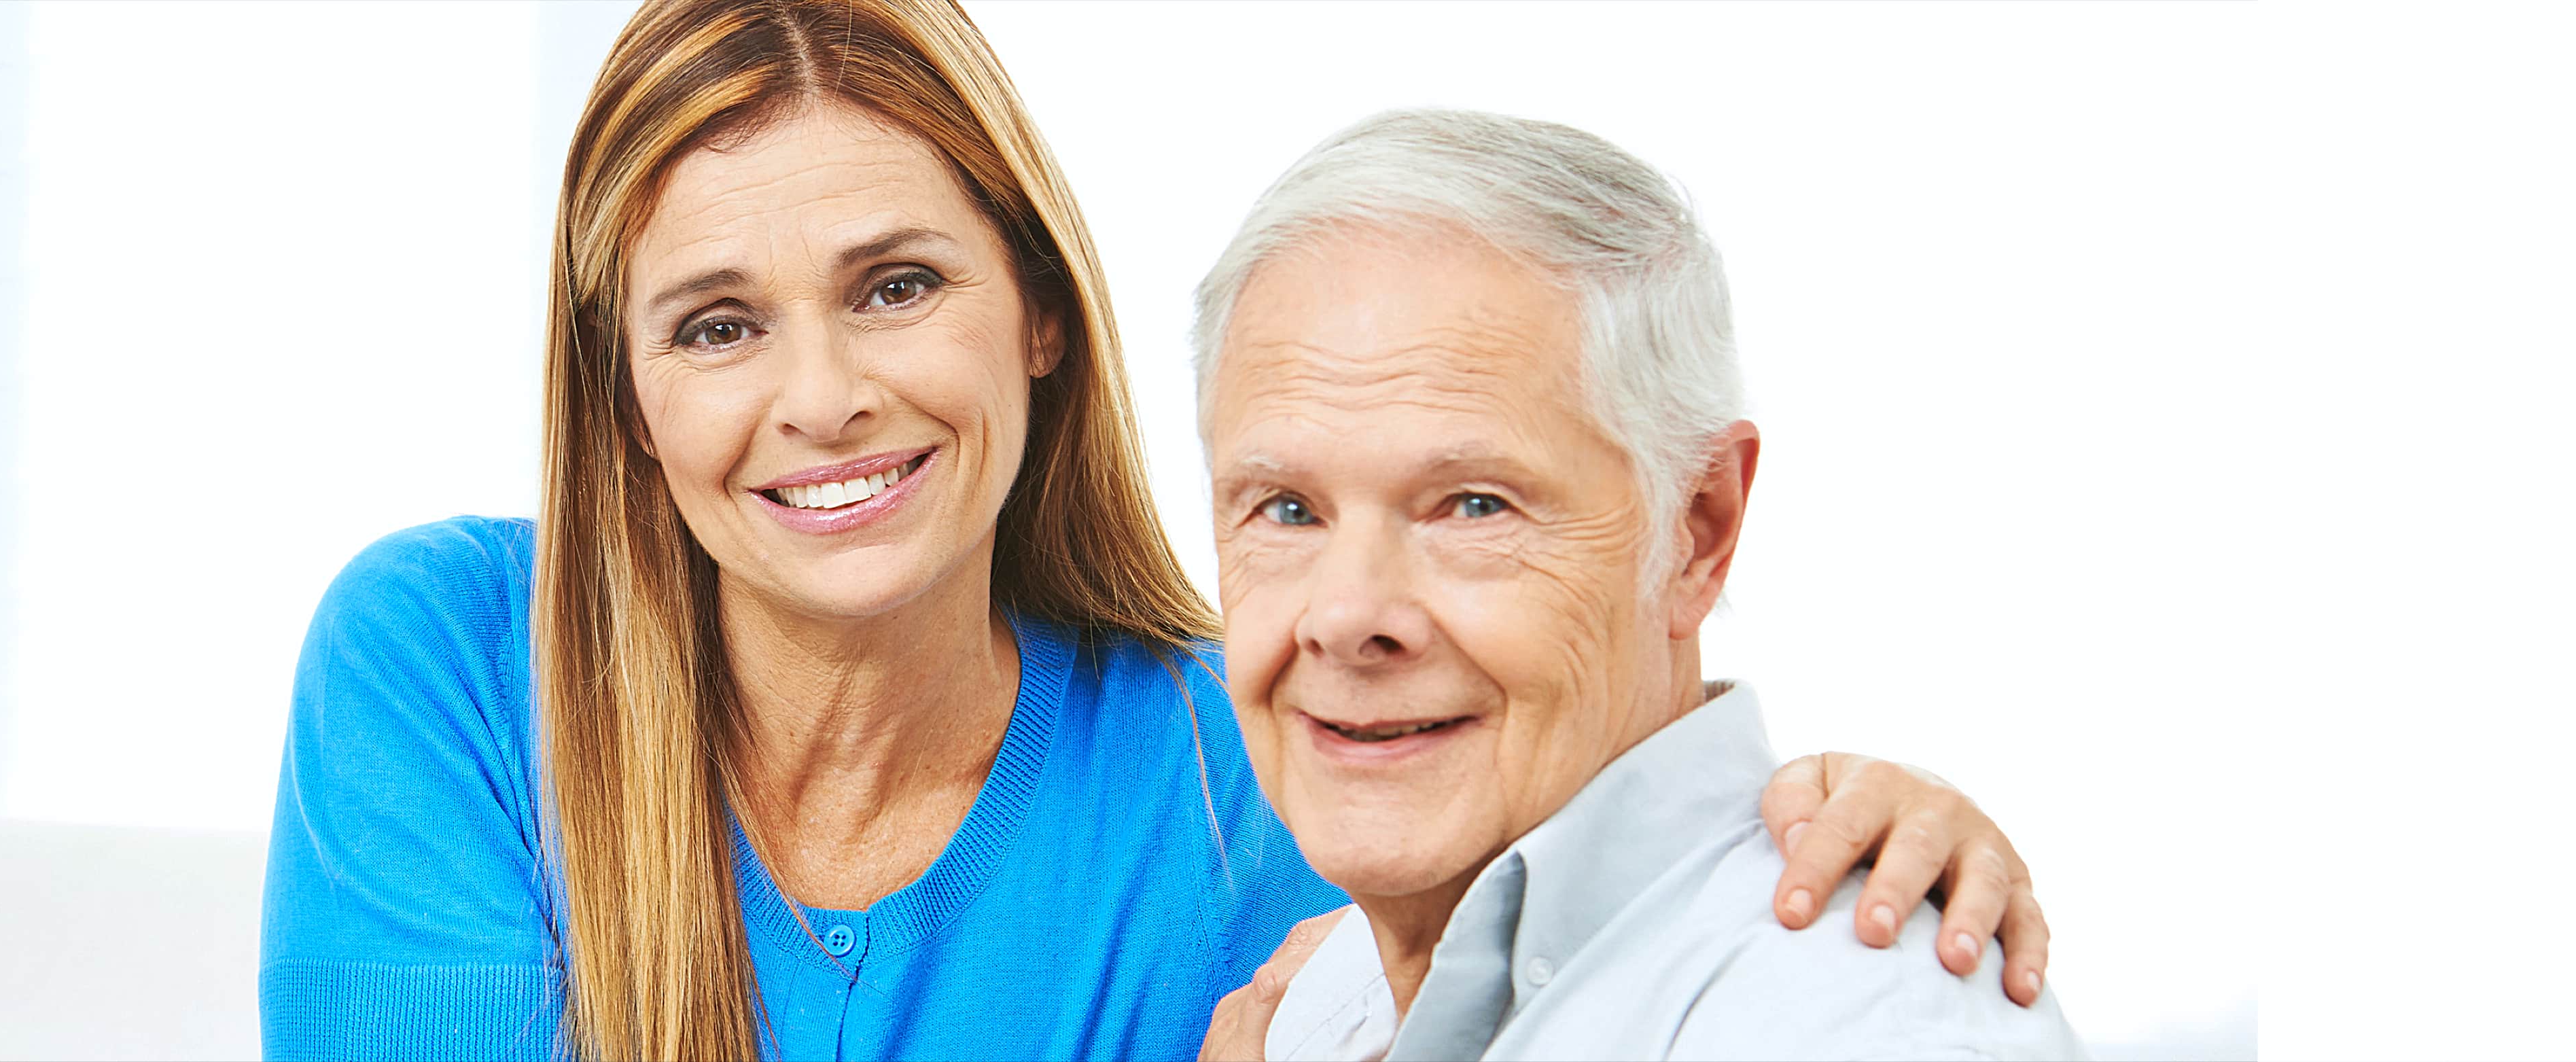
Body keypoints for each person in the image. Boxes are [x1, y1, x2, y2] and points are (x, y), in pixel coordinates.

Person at [260, 2, 2053, 1058]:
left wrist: (1794, 805)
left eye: (894, 285)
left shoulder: (1267, 769)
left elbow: (1578, 883)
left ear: (1038, 310)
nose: (820, 396)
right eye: (717, 324)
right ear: (627, 398)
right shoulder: (445, 667)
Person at [1198, 109, 2082, 1061]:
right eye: (1286, 510)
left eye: (1473, 505)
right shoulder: (1319, 998)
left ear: (1696, 530)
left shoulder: (1857, 1021)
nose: (1344, 616)